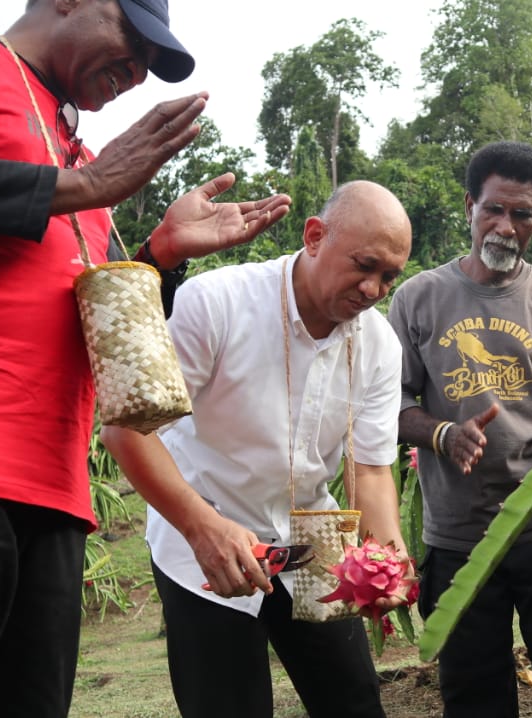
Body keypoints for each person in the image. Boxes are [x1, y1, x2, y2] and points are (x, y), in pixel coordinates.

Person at [0, 1, 291, 716]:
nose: (136, 74)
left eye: (149, 66)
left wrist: (159, 255)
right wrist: (82, 187)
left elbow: (92, 322)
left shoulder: (76, 160)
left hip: (49, 495)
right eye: (132, 43)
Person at [100, 180, 414, 718]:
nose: (373, 289)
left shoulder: (379, 344)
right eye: (364, 266)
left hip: (313, 538)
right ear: (314, 237)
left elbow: (374, 468)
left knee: (355, 703)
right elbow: (128, 431)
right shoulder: (218, 302)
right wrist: (201, 528)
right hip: (203, 534)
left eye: (389, 276)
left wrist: (386, 555)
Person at [387, 140, 532, 717]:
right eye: (493, 209)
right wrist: (442, 434)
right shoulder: (418, 298)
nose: (505, 226)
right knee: (475, 699)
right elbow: (392, 404)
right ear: (469, 206)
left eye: (522, 213)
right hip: (459, 539)